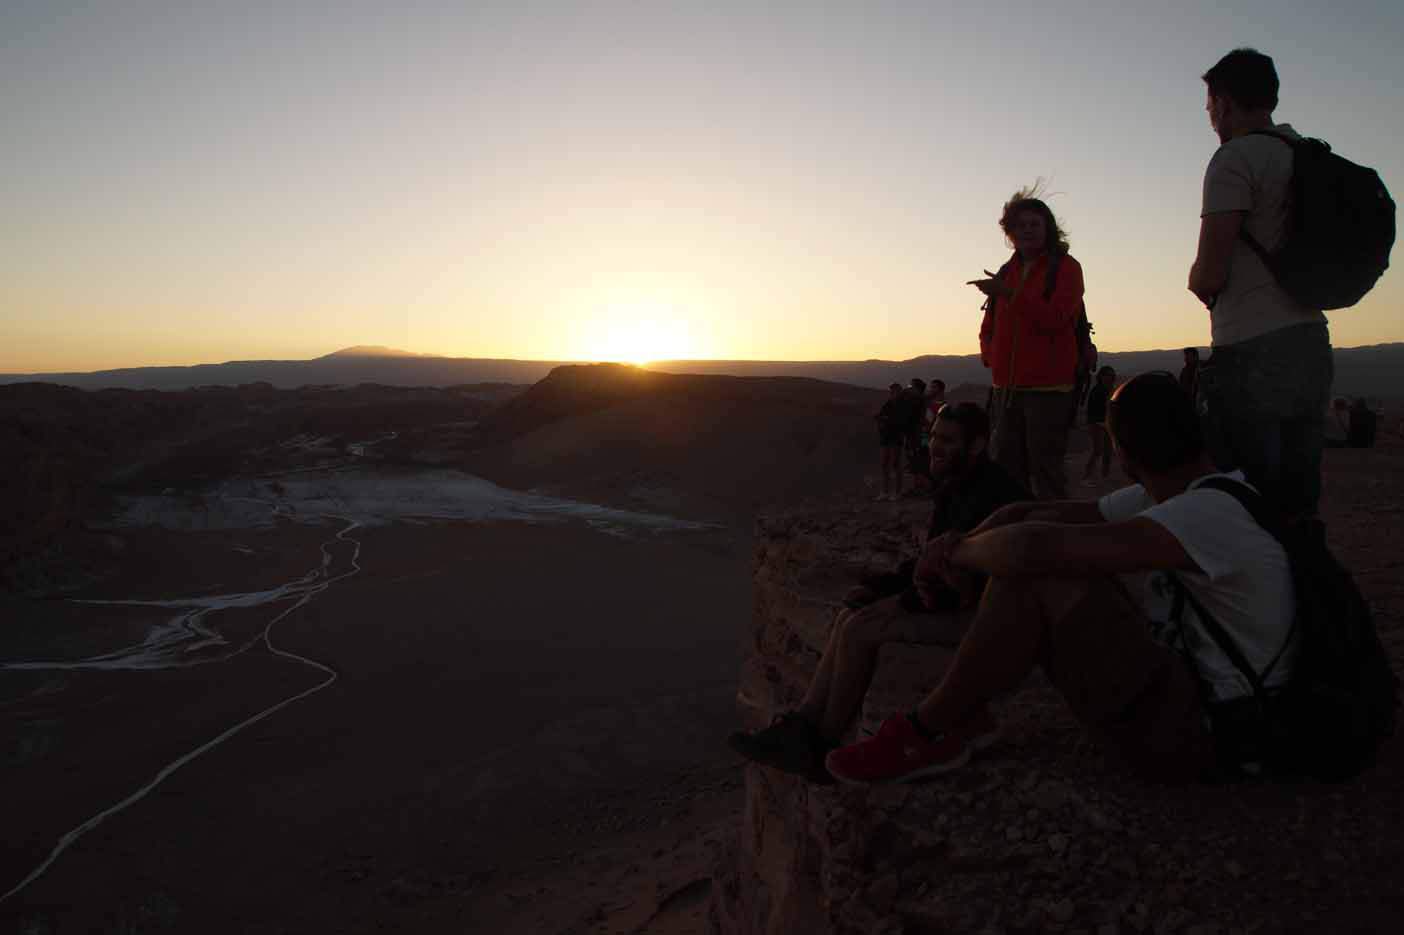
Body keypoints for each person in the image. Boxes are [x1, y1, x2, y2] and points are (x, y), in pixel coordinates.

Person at [823, 373, 1295, 785]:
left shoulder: (1204, 514)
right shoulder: (1198, 492)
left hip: (1209, 735)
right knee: (1038, 561)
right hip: (1197, 699)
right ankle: (954, 724)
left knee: (1034, 572)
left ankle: (926, 732)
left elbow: (1032, 547)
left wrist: (960, 554)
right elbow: (1033, 514)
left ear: (1123, 450)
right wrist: (958, 542)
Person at [728, 403, 1028, 781]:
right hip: (960, 600)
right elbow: (929, 560)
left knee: (862, 627)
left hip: (990, 617)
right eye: (934, 435)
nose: (934, 446)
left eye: (948, 440)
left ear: (977, 445)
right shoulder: (960, 484)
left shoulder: (989, 496)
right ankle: (802, 724)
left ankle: (821, 744)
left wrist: (898, 604)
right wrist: (877, 588)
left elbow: (962, 581)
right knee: (849, 613)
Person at [1187, 49, 1333, 520]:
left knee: (1246, 506)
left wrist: (1196, 281)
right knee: (1298, 506)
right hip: (1310, 340)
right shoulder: (1301, 153)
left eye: (1210, 105)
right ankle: (1311, 591)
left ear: (1224, 102)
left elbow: (1210, 271)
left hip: (1251, 348)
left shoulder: (1234, 159)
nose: (1210, 116)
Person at [972, 188, 1085, 500]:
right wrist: (990, 357)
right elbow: (990, 323)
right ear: (1010, 233)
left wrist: (1009, 294)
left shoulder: (1066, 268)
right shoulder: (1008, 271)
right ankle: (1019, 537)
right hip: (1006, 388)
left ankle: (1055, 538)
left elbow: (1056, 318)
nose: (1027, 231)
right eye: (1020, 226)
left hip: (1048, 389)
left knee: (1046, 469)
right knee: (1008, 471)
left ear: (1047, 228)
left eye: (1034, 224)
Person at [1082, 366, 1116, 485]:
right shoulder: (1097, 391)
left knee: (1108, 451)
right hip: (1096, 424)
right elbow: (1093, 410)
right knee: (1098, 450)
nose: (1109, 378)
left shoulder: (1110, 390)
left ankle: (1104, 476)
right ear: (1101, 377)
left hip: (1106, 423)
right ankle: (1087, 477)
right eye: (1107, 375)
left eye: (1111, 375)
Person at [875, 383, 906, 501]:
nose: (892, 393)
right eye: (891, 391)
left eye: (894, 391)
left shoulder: (902, 405)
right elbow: (882, 415)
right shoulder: (888, 403)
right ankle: (885, 491)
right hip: (886, 435)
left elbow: (900, 420)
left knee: (895, 463)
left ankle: (897, 492)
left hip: (896, 435)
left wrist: (885, 419)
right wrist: (880, 418)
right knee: (884, 463)